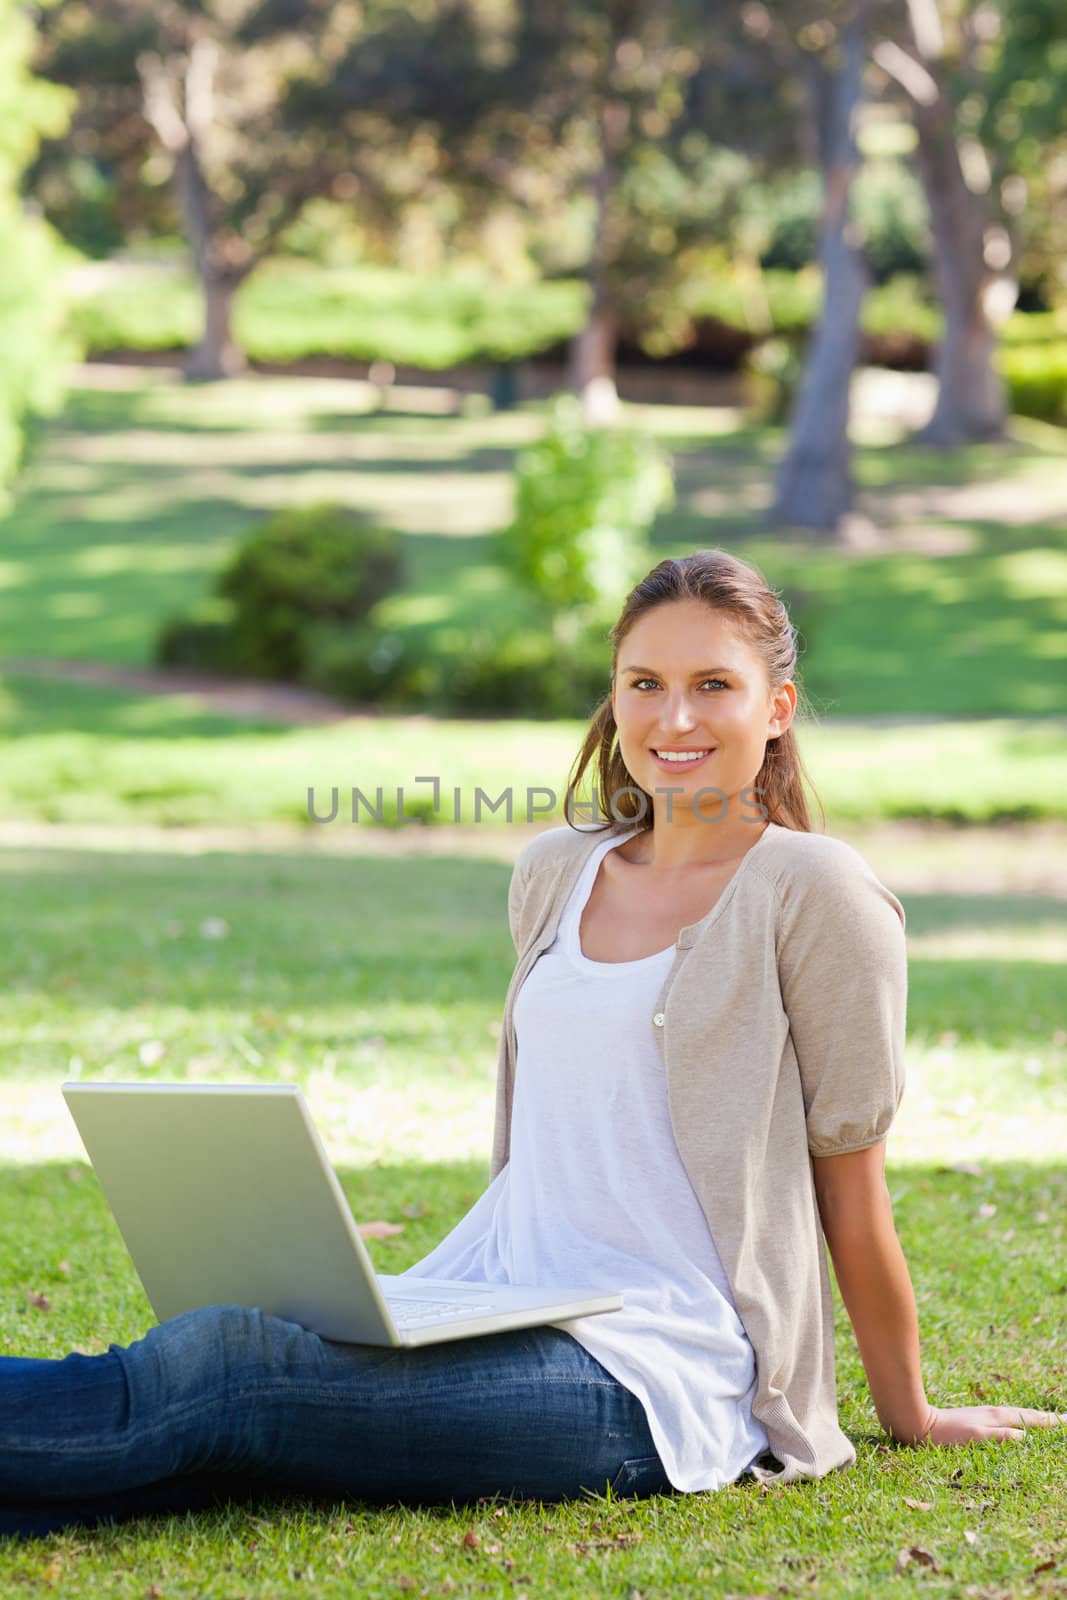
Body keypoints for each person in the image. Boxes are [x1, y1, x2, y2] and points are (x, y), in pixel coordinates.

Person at [2, 548, 1061, 1541]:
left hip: (658, 1372)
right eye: (642, 682)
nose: (672, 715)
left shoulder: (816, 891)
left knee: (228, 1368)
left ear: (775, 708)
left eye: (712, 685)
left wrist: (906, 1410)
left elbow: (850, 1182)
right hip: (494, 1296)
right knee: (227, 1397)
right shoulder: (557, 869)